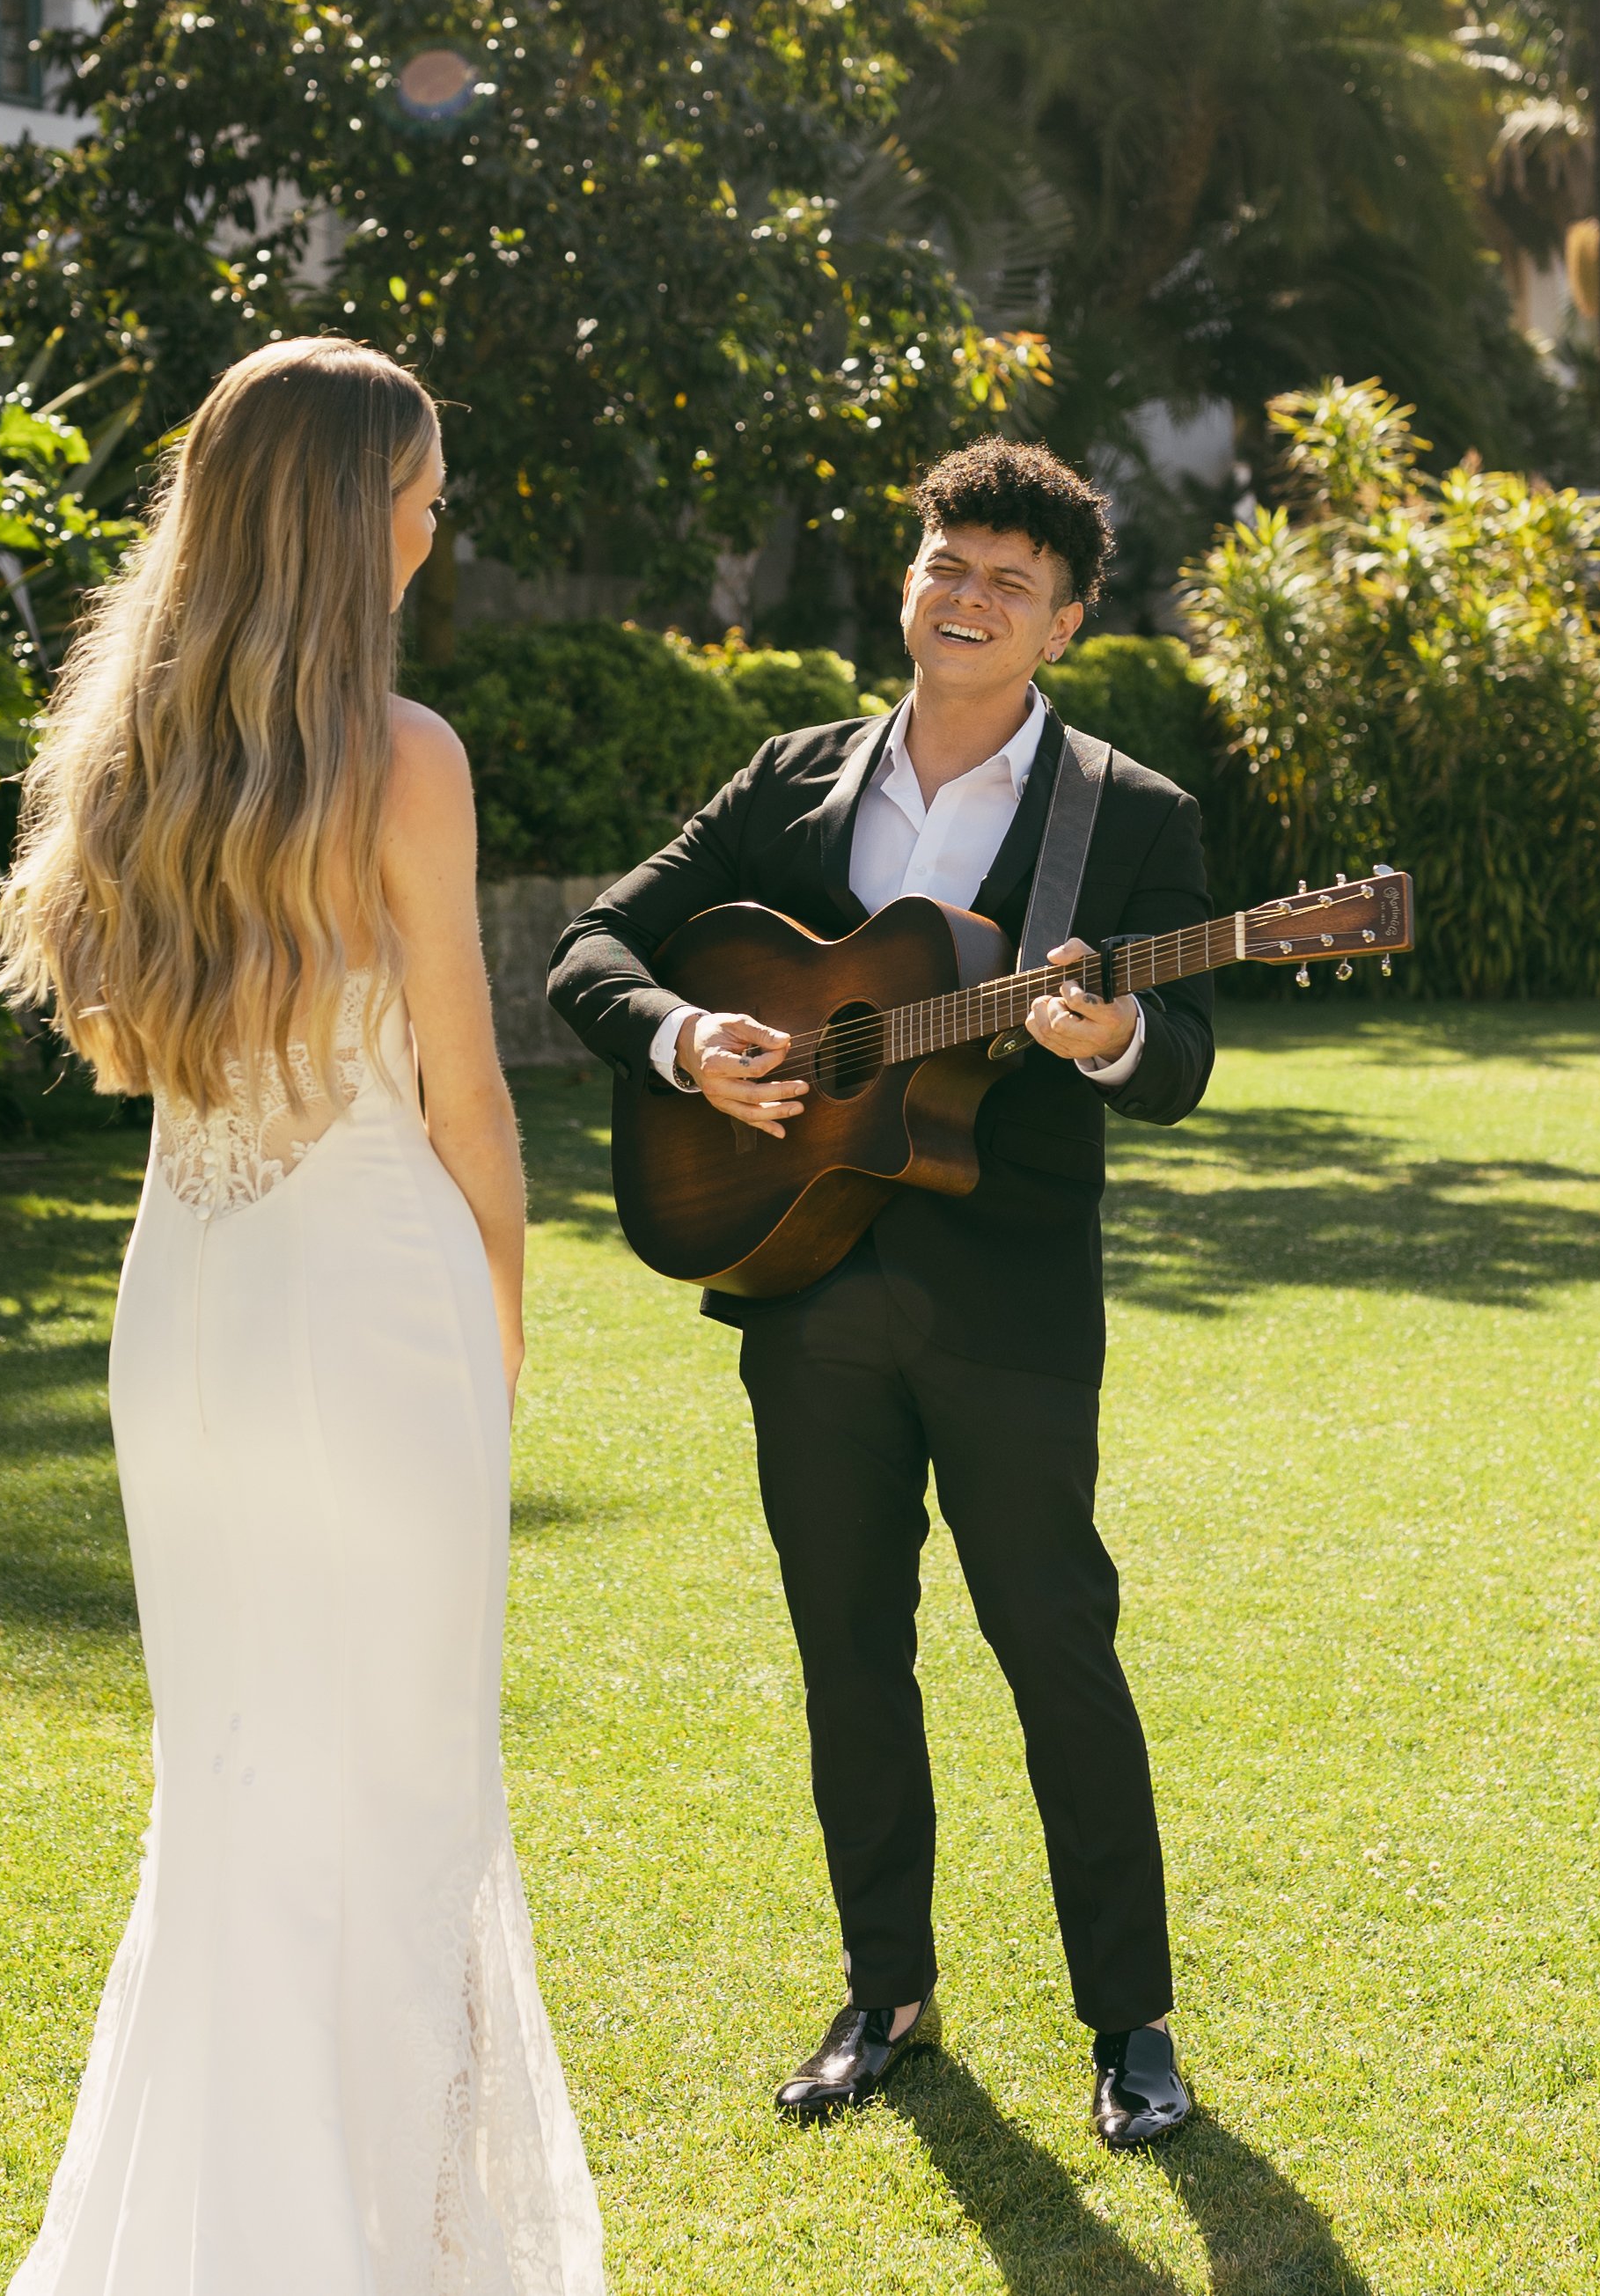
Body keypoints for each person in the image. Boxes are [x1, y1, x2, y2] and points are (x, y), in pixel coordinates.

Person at [0, 337, 604, 2295]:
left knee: (240, 1800)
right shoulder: (400, 757)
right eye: (424, 489)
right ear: (355, 514)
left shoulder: (125, 751)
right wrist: (503, 1312)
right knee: (399, 1800)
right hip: (368, 1314)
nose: (440, 521)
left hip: (183, 1315)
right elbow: (466, 1090)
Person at [548, 438, 1212, 2151]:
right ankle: (884, 1988)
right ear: (909, 580)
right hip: (801, 1281)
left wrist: (1110, 1029)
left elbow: (1181, 1060)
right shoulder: (789, 779)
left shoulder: (1128, 820)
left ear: (1063, 621)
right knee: (848, 1645)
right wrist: (688, 1040)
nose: (967, 597)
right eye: (948, 563)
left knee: (1053, 1640)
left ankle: (1129, 2024)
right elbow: (594, 951)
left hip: (1009, 1303)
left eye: (1009, 580)